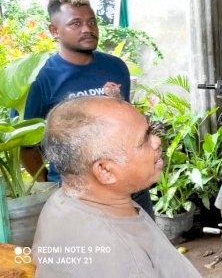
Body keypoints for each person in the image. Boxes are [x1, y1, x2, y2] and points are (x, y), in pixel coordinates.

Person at [32, 96, 202, 278]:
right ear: (105, 170)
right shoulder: (120, 258)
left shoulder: (63, 202)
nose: (156, 141)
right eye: (144, 139)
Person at [19, 0, 154, 218]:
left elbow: (127, 122)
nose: (87, 29)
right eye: (76, 23)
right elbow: (27, 146)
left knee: (145, 248)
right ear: (54, 31)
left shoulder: (115, 67)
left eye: (91, 22)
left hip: (129, 187)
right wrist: (50, 187)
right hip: (80, 195)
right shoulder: (41, 78)